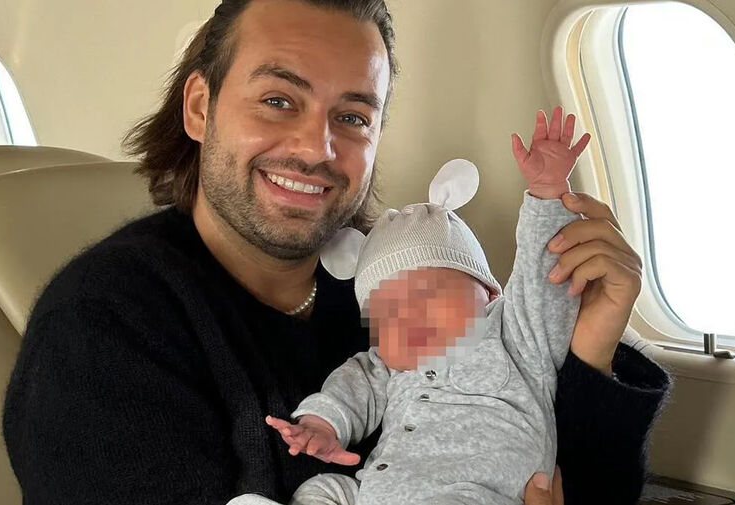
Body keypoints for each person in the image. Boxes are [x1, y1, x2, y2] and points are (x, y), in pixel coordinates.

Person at [1, 1, 670, 504]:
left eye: (351, 117)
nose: (315, 148)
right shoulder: (102, 328)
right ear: (200, 107)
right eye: (277, 100)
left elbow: (557, 477)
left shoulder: (404, 280)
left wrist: (589, 354)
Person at [227, 109, 590, 505]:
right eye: (388, 316)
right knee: (324, 489)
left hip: (473, 493)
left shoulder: (514, 334)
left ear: (488, 293)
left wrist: (547, 192)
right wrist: (321, 425)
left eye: (428, 296)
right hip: (379, 491)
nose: (409, 320)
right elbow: (351, 387)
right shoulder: (388, 364)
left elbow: (542, 280)